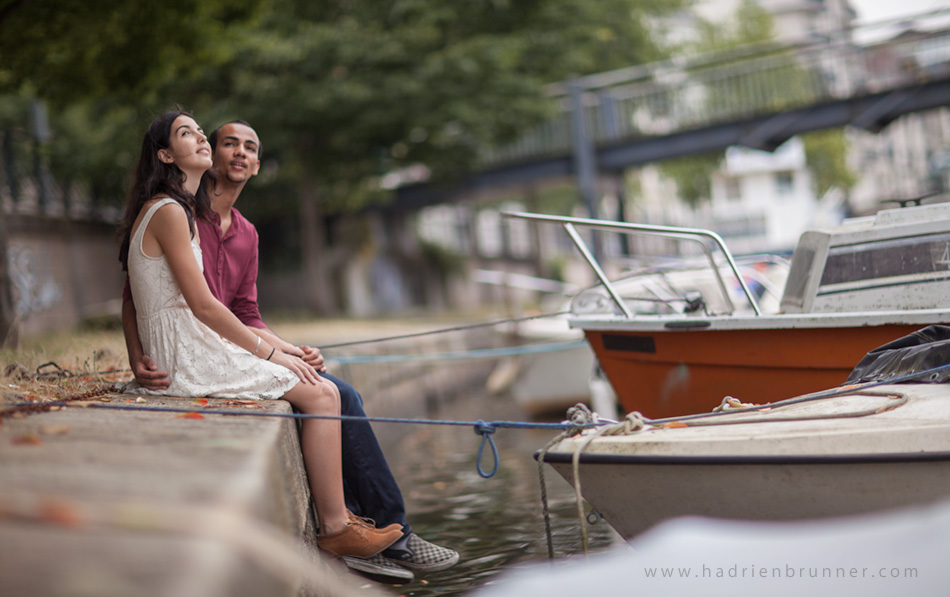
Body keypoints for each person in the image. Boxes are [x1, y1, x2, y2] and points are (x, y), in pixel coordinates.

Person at [121, 117, 459, 582]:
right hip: (202, 348)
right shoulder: (180, 210)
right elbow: (150, 293)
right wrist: (139, 354)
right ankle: (360, 533)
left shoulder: (246, 233)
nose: (238, 153)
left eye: (250, 148)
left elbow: (246, 311)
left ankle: (373, 534)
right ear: (213, 156)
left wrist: (291, 350)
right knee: (326, 393)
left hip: (226, 344)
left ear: (258, 165)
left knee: (334, 389)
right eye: (227, 143)